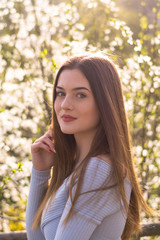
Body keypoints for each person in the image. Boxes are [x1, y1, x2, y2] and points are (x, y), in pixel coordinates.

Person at [26, 54, 152, 240]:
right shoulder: (76, 168)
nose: (65, 105)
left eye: (80, 95)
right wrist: (40, 172)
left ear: (105, 102)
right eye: (61, 93)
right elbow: (36, 237)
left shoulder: (100, 170)